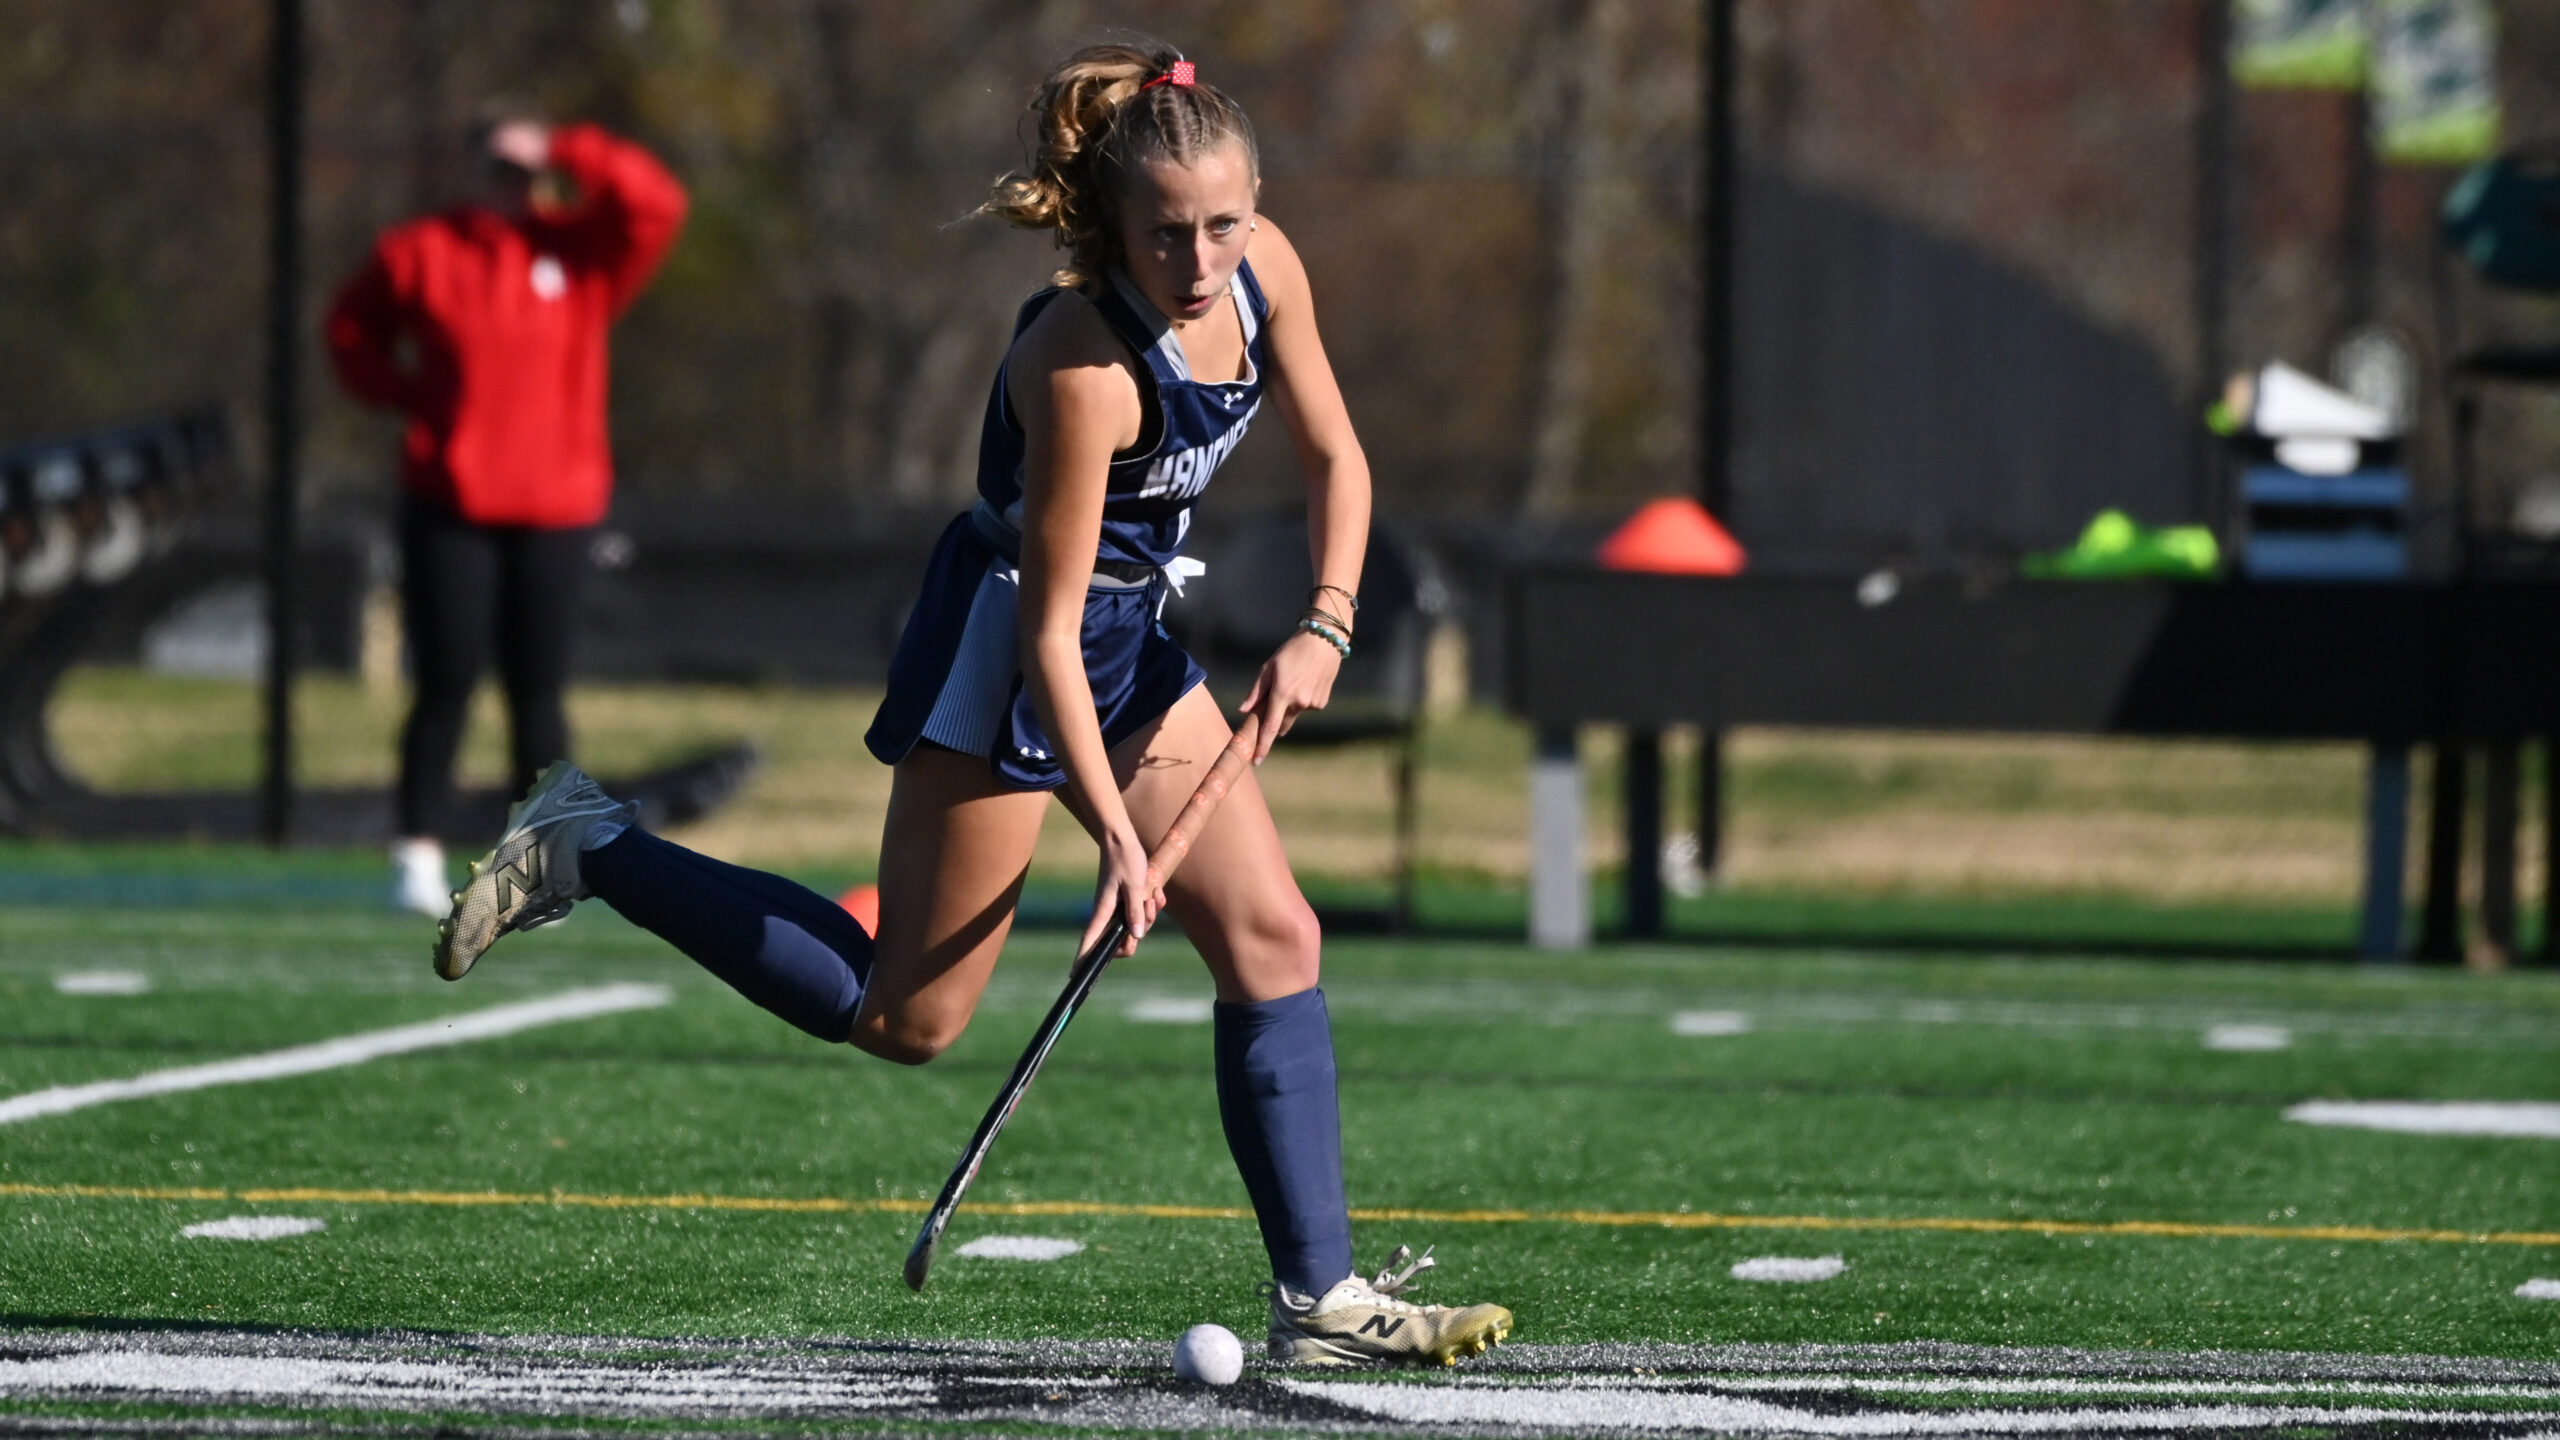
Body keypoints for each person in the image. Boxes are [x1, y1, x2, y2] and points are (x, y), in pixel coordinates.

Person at [428, 45, 1512, 1367]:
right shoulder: (1082, 364)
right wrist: (1118, 839)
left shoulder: (1265, 273)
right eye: (1167, 232)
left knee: (1277, 938)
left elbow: (1340, 455)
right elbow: (1046, 633)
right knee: (908, 1020)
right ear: (1113, 224)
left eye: (1224, 221)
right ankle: (590, 843)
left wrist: (1326, 622)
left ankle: (1321, 1302)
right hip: (1008, 646)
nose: (1202, 258)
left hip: (1121, 633)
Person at [324, 111, 687, 916]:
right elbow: (351, 332)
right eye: (498, 167)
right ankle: (416, 850)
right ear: (469, 169)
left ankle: (540, 862)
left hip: (556, 507)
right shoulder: (420, 253)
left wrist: (565, 145)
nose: (512, 186)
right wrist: (408, 397)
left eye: (528, 173)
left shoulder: (578, 254)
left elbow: (656, 202)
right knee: (447, 677)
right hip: (449, 502)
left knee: (539, 690)